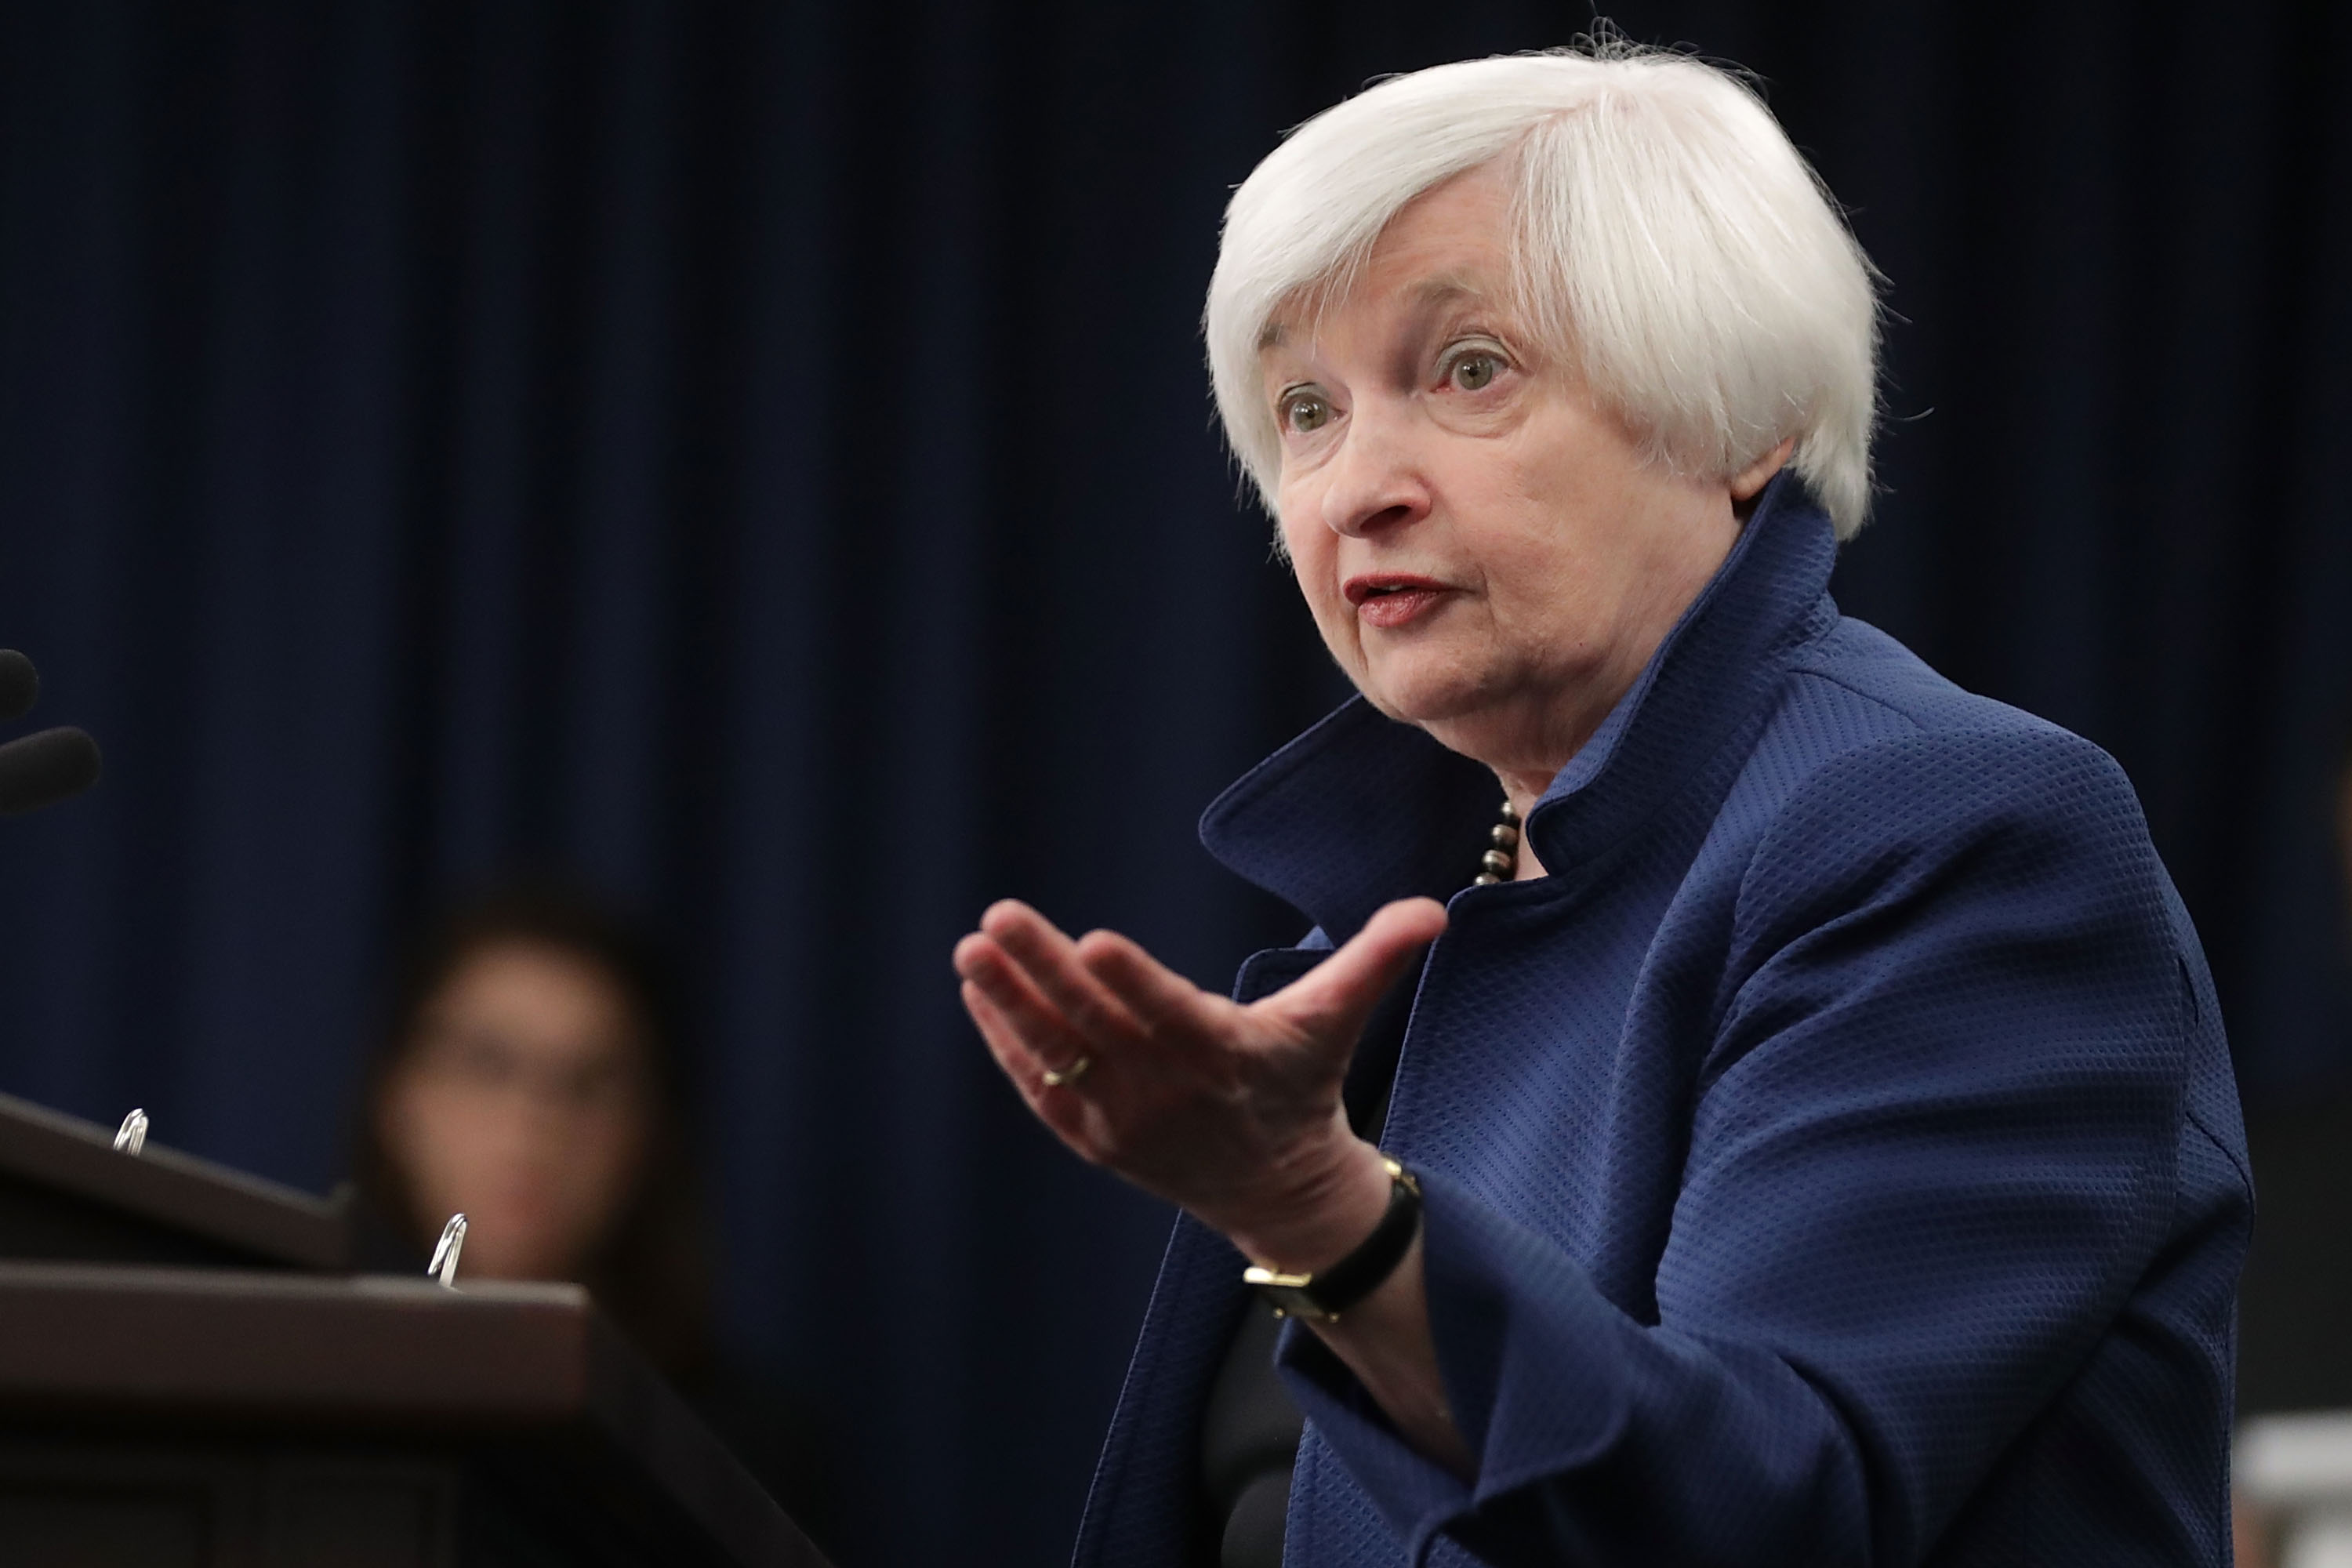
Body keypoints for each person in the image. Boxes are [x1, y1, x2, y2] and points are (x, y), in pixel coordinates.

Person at [952, 43, 2249, 1568]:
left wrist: (1327, 1221)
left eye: (1469, 370)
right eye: (1304, 406)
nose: (1354, 483)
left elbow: (1763, 1509)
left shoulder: (1953, 835)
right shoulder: (1381, 934)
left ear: (1741, 416)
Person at [349, 887, 832, 1541]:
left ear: (652, 1134)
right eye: (489, 1062)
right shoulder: (284, 1384)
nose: (536, 1122)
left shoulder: (740, 1457)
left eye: (592, 1081)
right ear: (398, 1097)